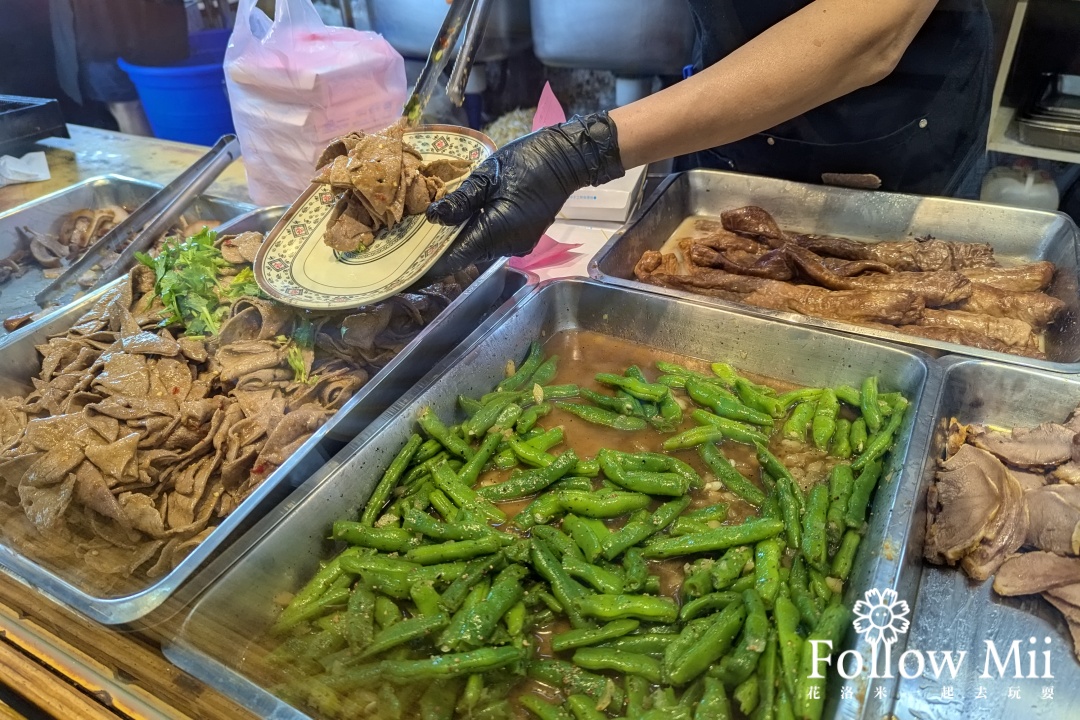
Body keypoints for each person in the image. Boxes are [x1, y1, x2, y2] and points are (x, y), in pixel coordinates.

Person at [426, 0, 993, 276]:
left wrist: (583, 151)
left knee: (897, 294)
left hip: (889, 125)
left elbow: (872, 31)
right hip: (731, 92)